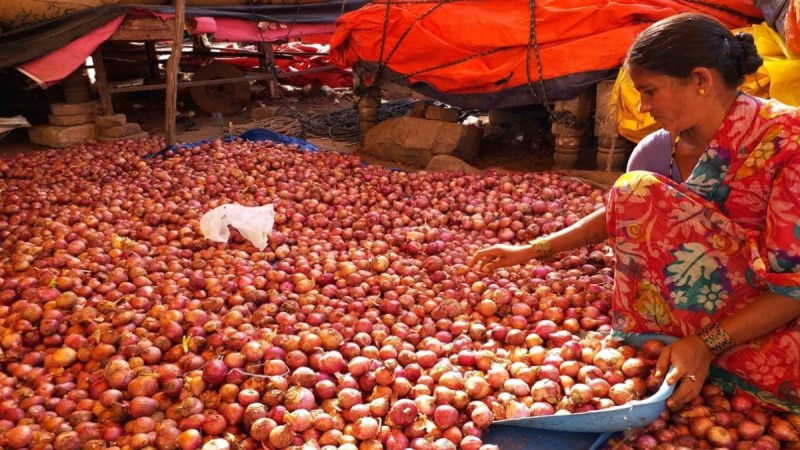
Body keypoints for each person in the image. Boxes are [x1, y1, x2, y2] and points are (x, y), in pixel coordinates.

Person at [468, 12, 800, 413]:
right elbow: (626, 212)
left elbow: (794, 287)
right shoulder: (662, 148)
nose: (642, 108)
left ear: (700, 80)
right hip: (696, 312)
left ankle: (709, 360)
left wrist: (704, 344)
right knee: (636, 189)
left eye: (649, 92)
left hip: (773, 316)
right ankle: (676, 353)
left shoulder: (788, 142)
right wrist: (533, 250)